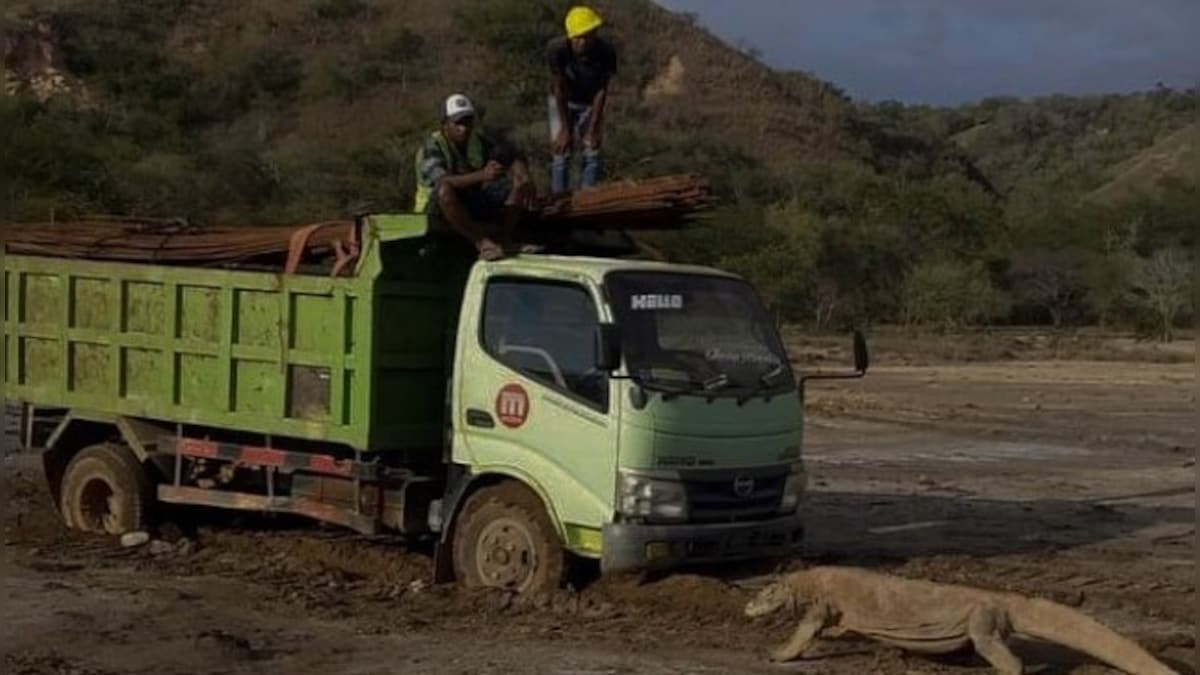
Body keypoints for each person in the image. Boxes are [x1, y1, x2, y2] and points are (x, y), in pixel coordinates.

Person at [414, 93, 537, 260]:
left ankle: (504, 239)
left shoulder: (477, 141)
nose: (464, 128)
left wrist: (524, 175)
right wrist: (482, 175)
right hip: (436, 210)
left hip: (470, 201)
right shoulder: (432, 146)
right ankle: (481, 243)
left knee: (515, 184)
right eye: (457, 123)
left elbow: (509, 153)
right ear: (445, 124)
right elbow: (442, 181)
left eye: (468, 121)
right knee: (445, 189)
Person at [546, 5, 617, 194]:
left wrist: (593, 128)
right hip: (562, 101)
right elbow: (559, 87)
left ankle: (588, 197)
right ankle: (559, 199)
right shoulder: (557, 50)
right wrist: (565, 128)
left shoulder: (606, 52)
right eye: (578, 37)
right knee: (561, 152)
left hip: (590, 102)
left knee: (592, 151)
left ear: (595, 33)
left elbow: (602, 90)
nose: (582, 42)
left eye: (587, 36)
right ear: (570, 36)